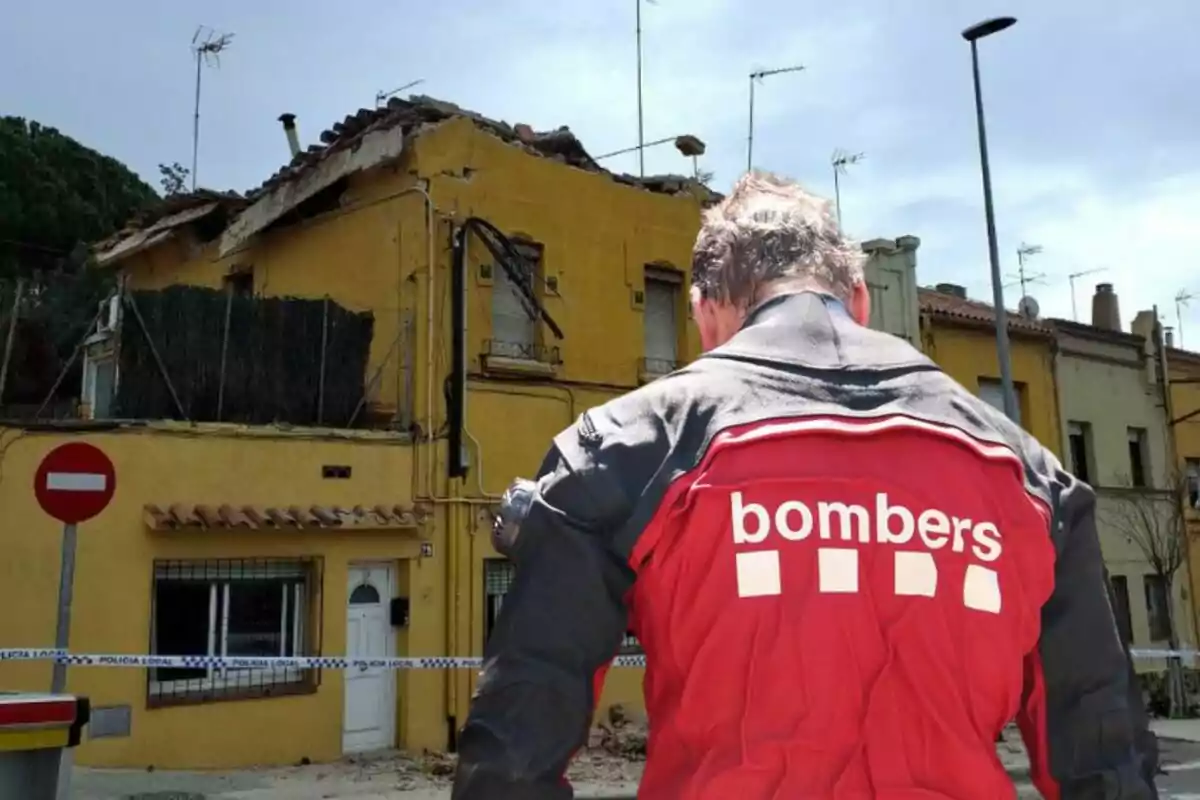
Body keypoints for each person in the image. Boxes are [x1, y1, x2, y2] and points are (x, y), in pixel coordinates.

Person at [451, 171, 1159, 799]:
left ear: (704, 314)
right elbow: (1108, 760)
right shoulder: (1033, 479)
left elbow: (512, 757)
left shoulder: (624, 452)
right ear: (858, 297)